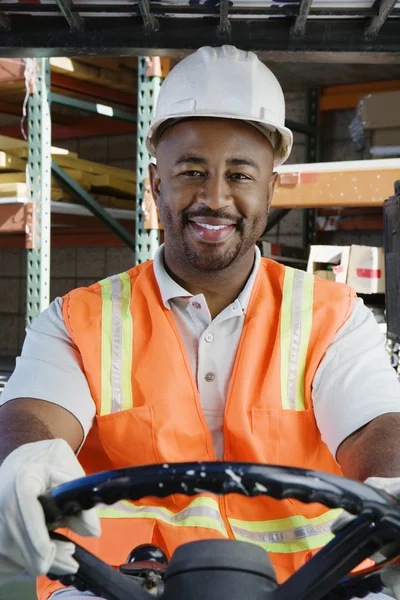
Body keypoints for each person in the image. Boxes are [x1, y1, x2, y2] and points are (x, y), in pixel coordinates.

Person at [0, 45, 400, 600]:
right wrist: (24, 461)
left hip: (308, 590)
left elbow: (376, 428)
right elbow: (32, 414)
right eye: (191, 172)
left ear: (271, 189)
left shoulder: (333, 316)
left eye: (240, 174)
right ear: (156, 183)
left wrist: (396, 483)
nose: (215, 198)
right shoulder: (77, 319)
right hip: (116, 589)